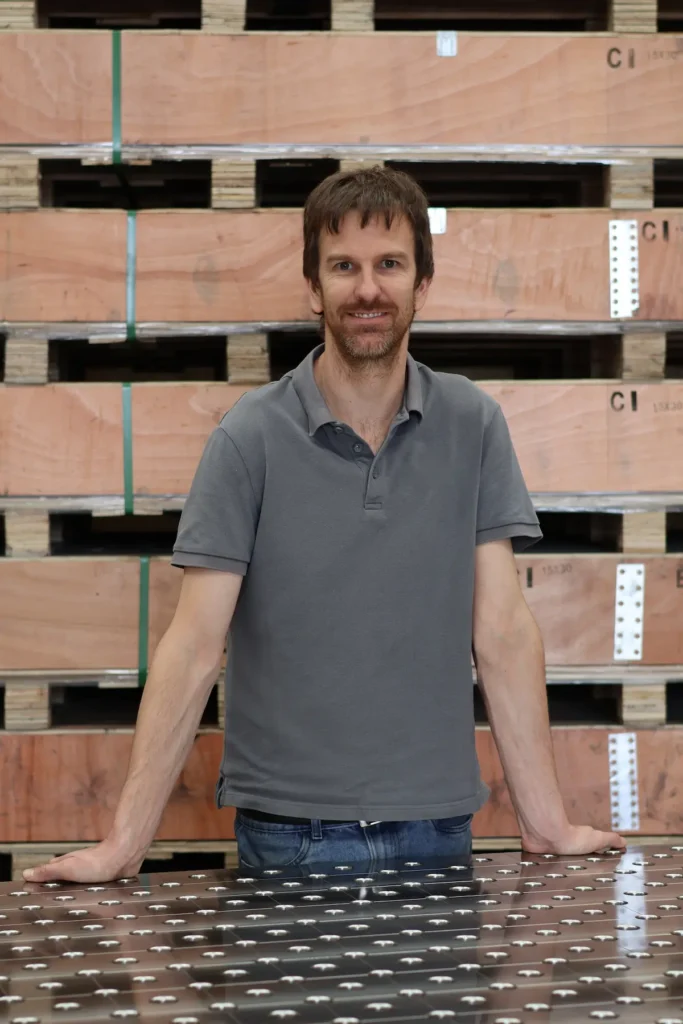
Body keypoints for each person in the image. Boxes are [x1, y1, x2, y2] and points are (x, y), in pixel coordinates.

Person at [24, 166, 624, 883]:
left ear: (420, 286)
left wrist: (545, 823)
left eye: (388, 265)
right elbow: (192, 645)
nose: (367, 288)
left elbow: (501, 630)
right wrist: (124, 847)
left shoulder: (472, 425)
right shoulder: (250, 436)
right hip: (288, 837)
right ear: (313, 287)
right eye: (343, 266)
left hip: (437, 827)